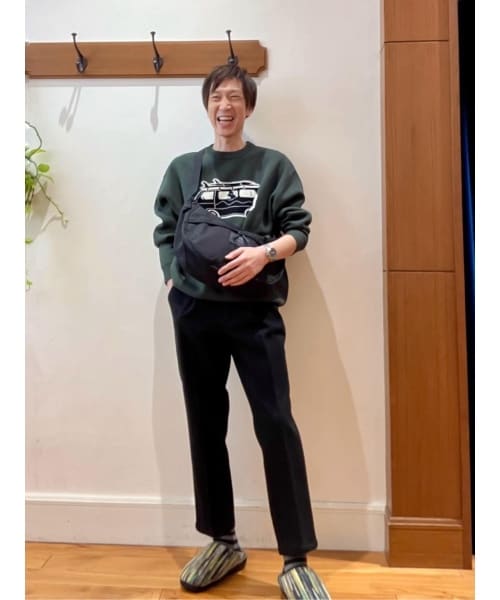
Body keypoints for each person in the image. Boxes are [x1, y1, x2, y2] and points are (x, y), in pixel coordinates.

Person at [153, 62, 331, 600]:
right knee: (205, 423)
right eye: (216, 97)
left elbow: (299, 229)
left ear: (248, 107)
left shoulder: (273, 166)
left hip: (255, 314)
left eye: (234, 97)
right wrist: (173, 282)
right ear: (207, 106)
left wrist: (263, 254)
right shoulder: (184, 168)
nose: (224, 106)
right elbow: (165, 229)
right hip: (196, 313)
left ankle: (295, 558)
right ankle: (222, 541)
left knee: (276, 423)